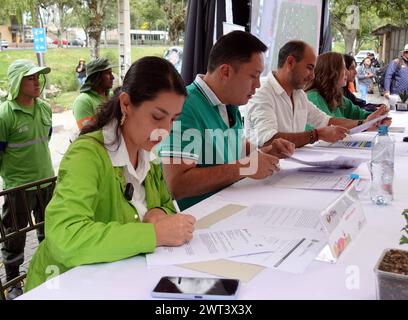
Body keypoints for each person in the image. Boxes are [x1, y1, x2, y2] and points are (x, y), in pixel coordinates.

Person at [25, 56, 196, 291]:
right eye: (157, 117)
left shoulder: (149, 153)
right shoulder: (87, 155)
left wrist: (157, 211)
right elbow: (65, 236)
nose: (165, 131)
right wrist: (152, 234)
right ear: (126, 104)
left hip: (120, 281)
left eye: (173, 120)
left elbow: (166, 204)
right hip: (65, 285)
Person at [158, 31, 295, 210]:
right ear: (226, 72)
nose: (258, 85)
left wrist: (263, 151)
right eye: (253, 76)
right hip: (199, 221)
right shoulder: (185, 107)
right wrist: (246, 167)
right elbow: (176, 185)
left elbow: (231, 147)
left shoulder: (227, 103)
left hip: (229, 209)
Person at [245, 41, 369, 149]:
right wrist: (315, 135)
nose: (312, 76)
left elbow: (325, 121)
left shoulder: (298, 94)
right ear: (290, 62)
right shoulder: (262, 92)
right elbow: (268, 141)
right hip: (268, 173)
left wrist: (366, 124)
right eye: (309, 68)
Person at [0, 60, 55, 299]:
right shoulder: (4, 115)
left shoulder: (45, 108)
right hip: (18, 189)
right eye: (30, 78)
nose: (37, 82)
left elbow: (46, 140)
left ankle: (47, 271)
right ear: (17, 82)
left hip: (46, 184)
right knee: (14, 236)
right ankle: (13, 282)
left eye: (38, 77)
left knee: (49, 232)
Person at [306, 52, 389, 130]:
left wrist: (377, 117)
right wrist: (365, 123)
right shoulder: (314, 97)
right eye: (343, 68)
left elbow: (357, 113)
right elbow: (329, 125)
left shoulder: (336, 96)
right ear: (331, 72)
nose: (346, 72)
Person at [72, 57, 114, 130]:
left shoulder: (111, 95)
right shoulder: (83, 101)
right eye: (108, 73)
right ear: (97, 77)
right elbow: (88, 134)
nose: (112, 77)